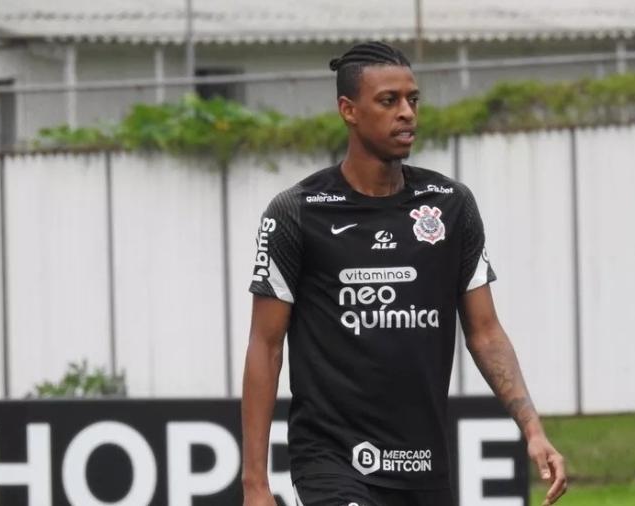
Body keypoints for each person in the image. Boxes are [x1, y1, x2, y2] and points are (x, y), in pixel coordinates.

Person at [241, 41, 567, 506]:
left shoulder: (451, 206)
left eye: (413, 100)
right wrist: (254, 484)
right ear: (348, 110)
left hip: (422, 463)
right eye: (389, 101)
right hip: (332, 459)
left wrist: (533, 430)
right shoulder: (298, 213)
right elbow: (265, 344)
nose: (407, 113)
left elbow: (486, 331)